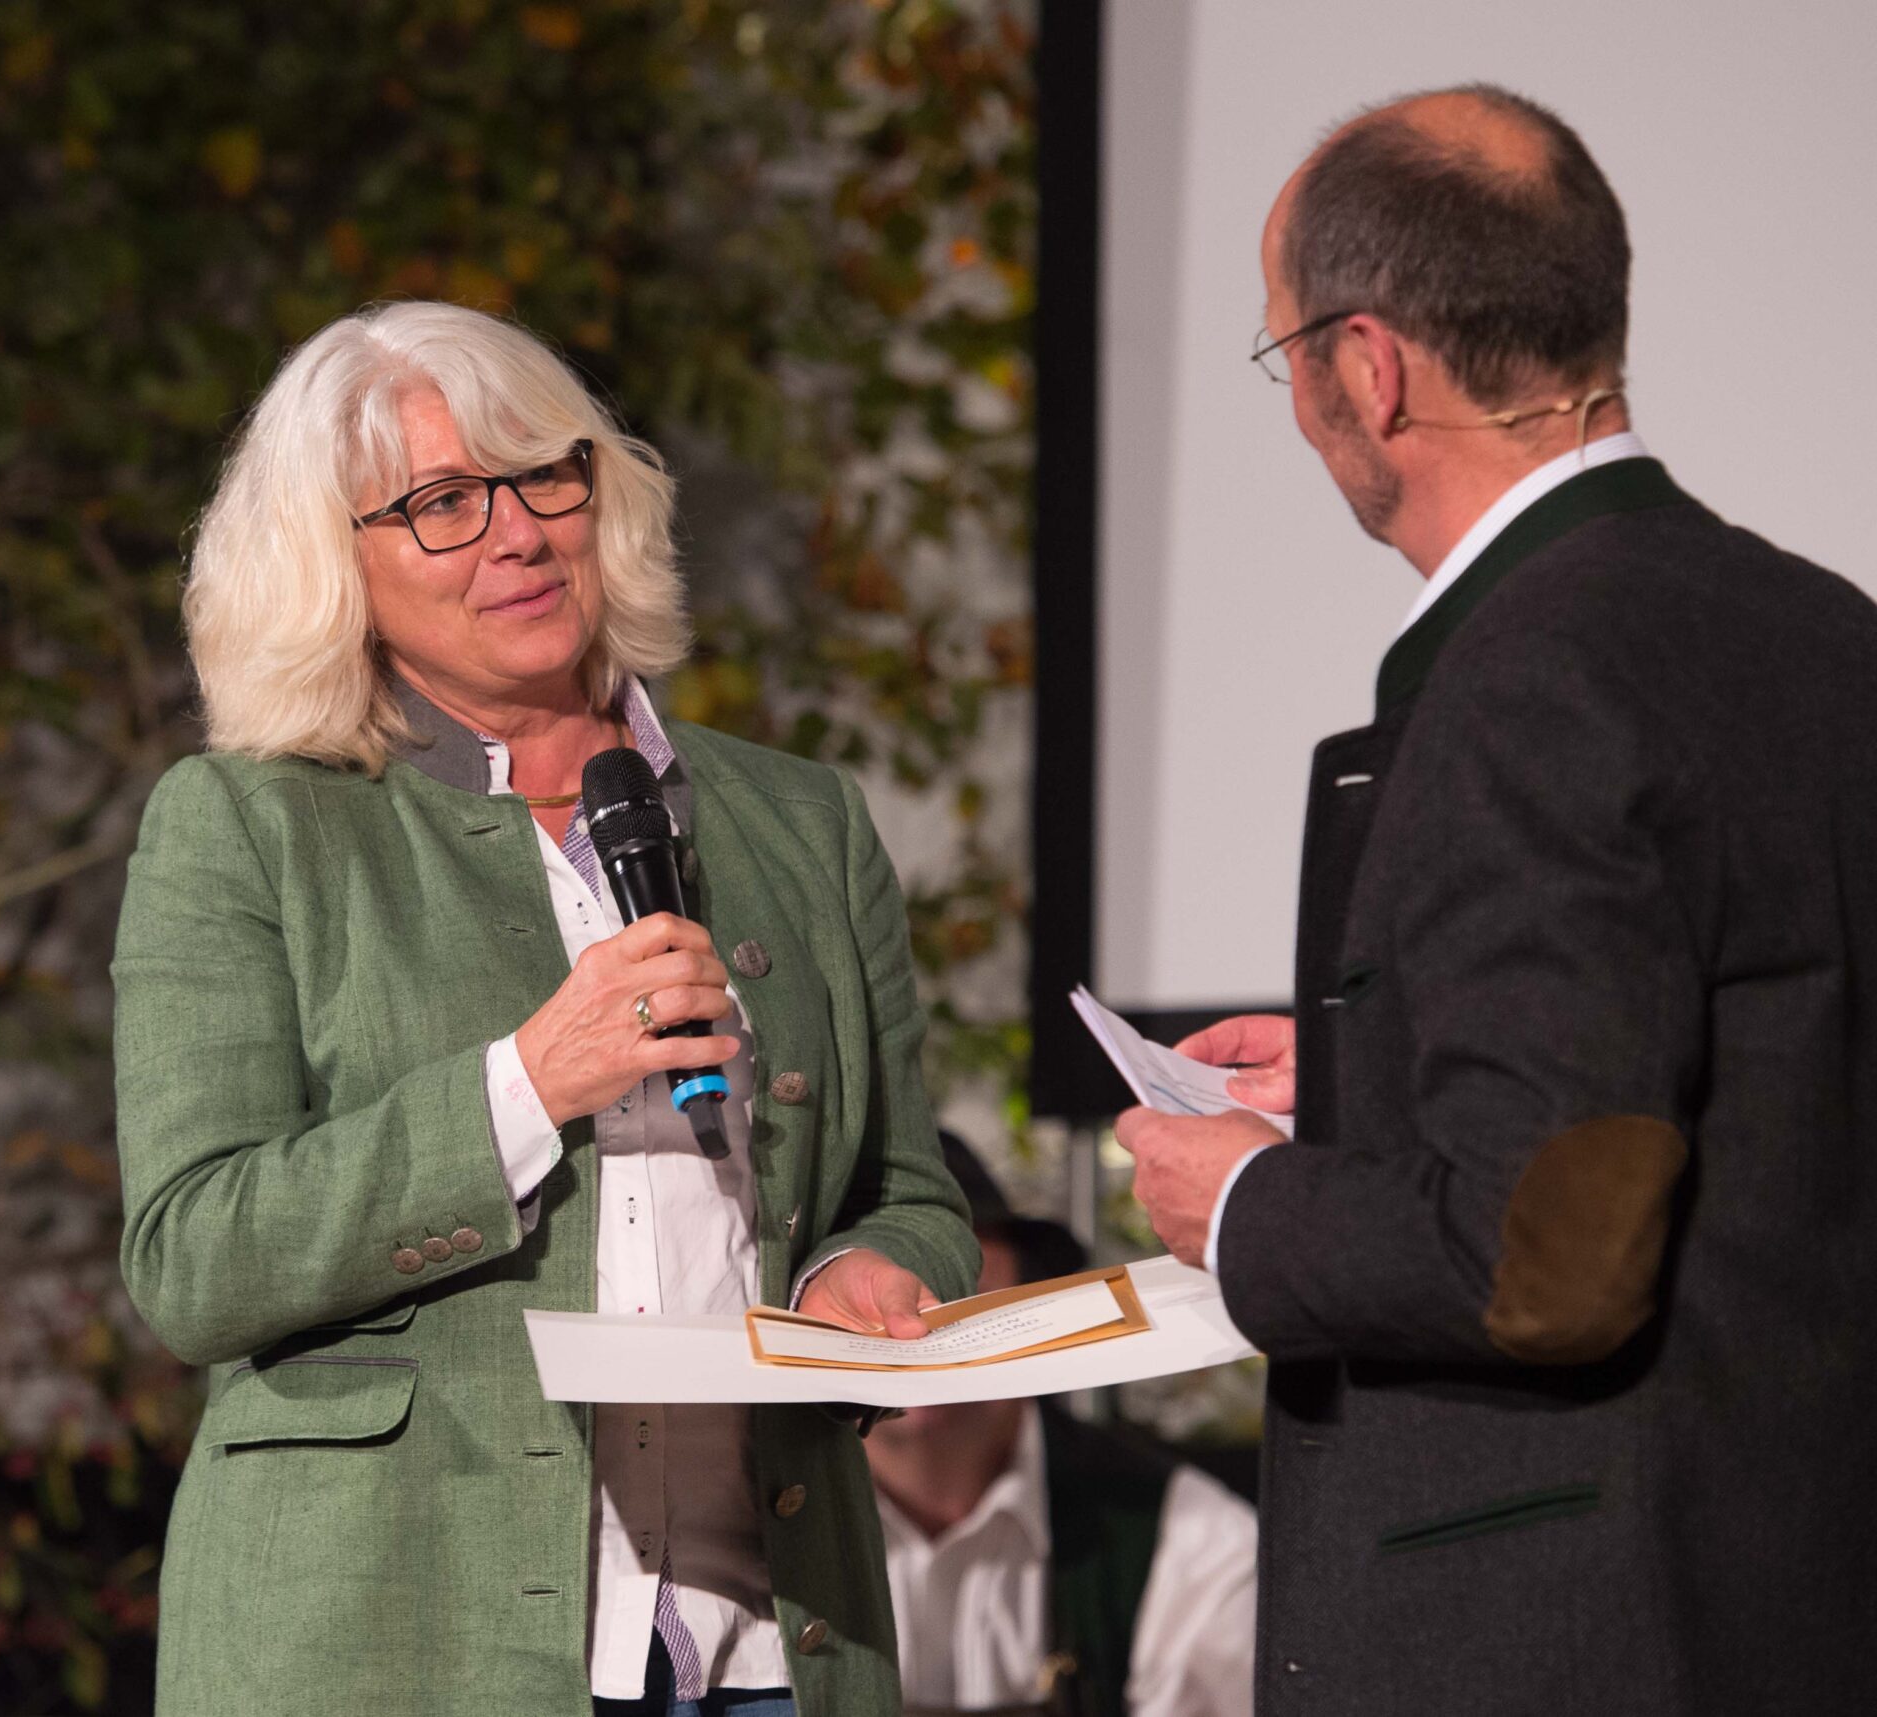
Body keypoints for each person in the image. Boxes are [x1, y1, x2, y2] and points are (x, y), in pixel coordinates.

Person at [1115, 84, 1877, 1715]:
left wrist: (1250, 1206)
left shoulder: (1526, 673)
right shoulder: (1826, 634)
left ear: (1369, 367)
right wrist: (1385, 1092)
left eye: (1285, 354)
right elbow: (1753, 1090)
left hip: (1574, 1636)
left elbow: (1549, 1260)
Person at [112, 299, 978, 1717]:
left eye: (542, 476)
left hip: (769, 1645)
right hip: (396, 1648)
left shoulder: (799, 820)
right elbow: (196, 1258)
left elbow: (906, 1191)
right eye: (442, 503)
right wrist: (524, 1083)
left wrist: (863, 1276)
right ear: (332, 563)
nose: (517, 532)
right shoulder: (249, 827)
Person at [868, 1134, 1254, 1717]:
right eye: (866, 1267)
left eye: (950, 1257)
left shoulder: (1189, 1537)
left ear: (1024, 1291)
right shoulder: (734, 1529)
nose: (909, 1304)